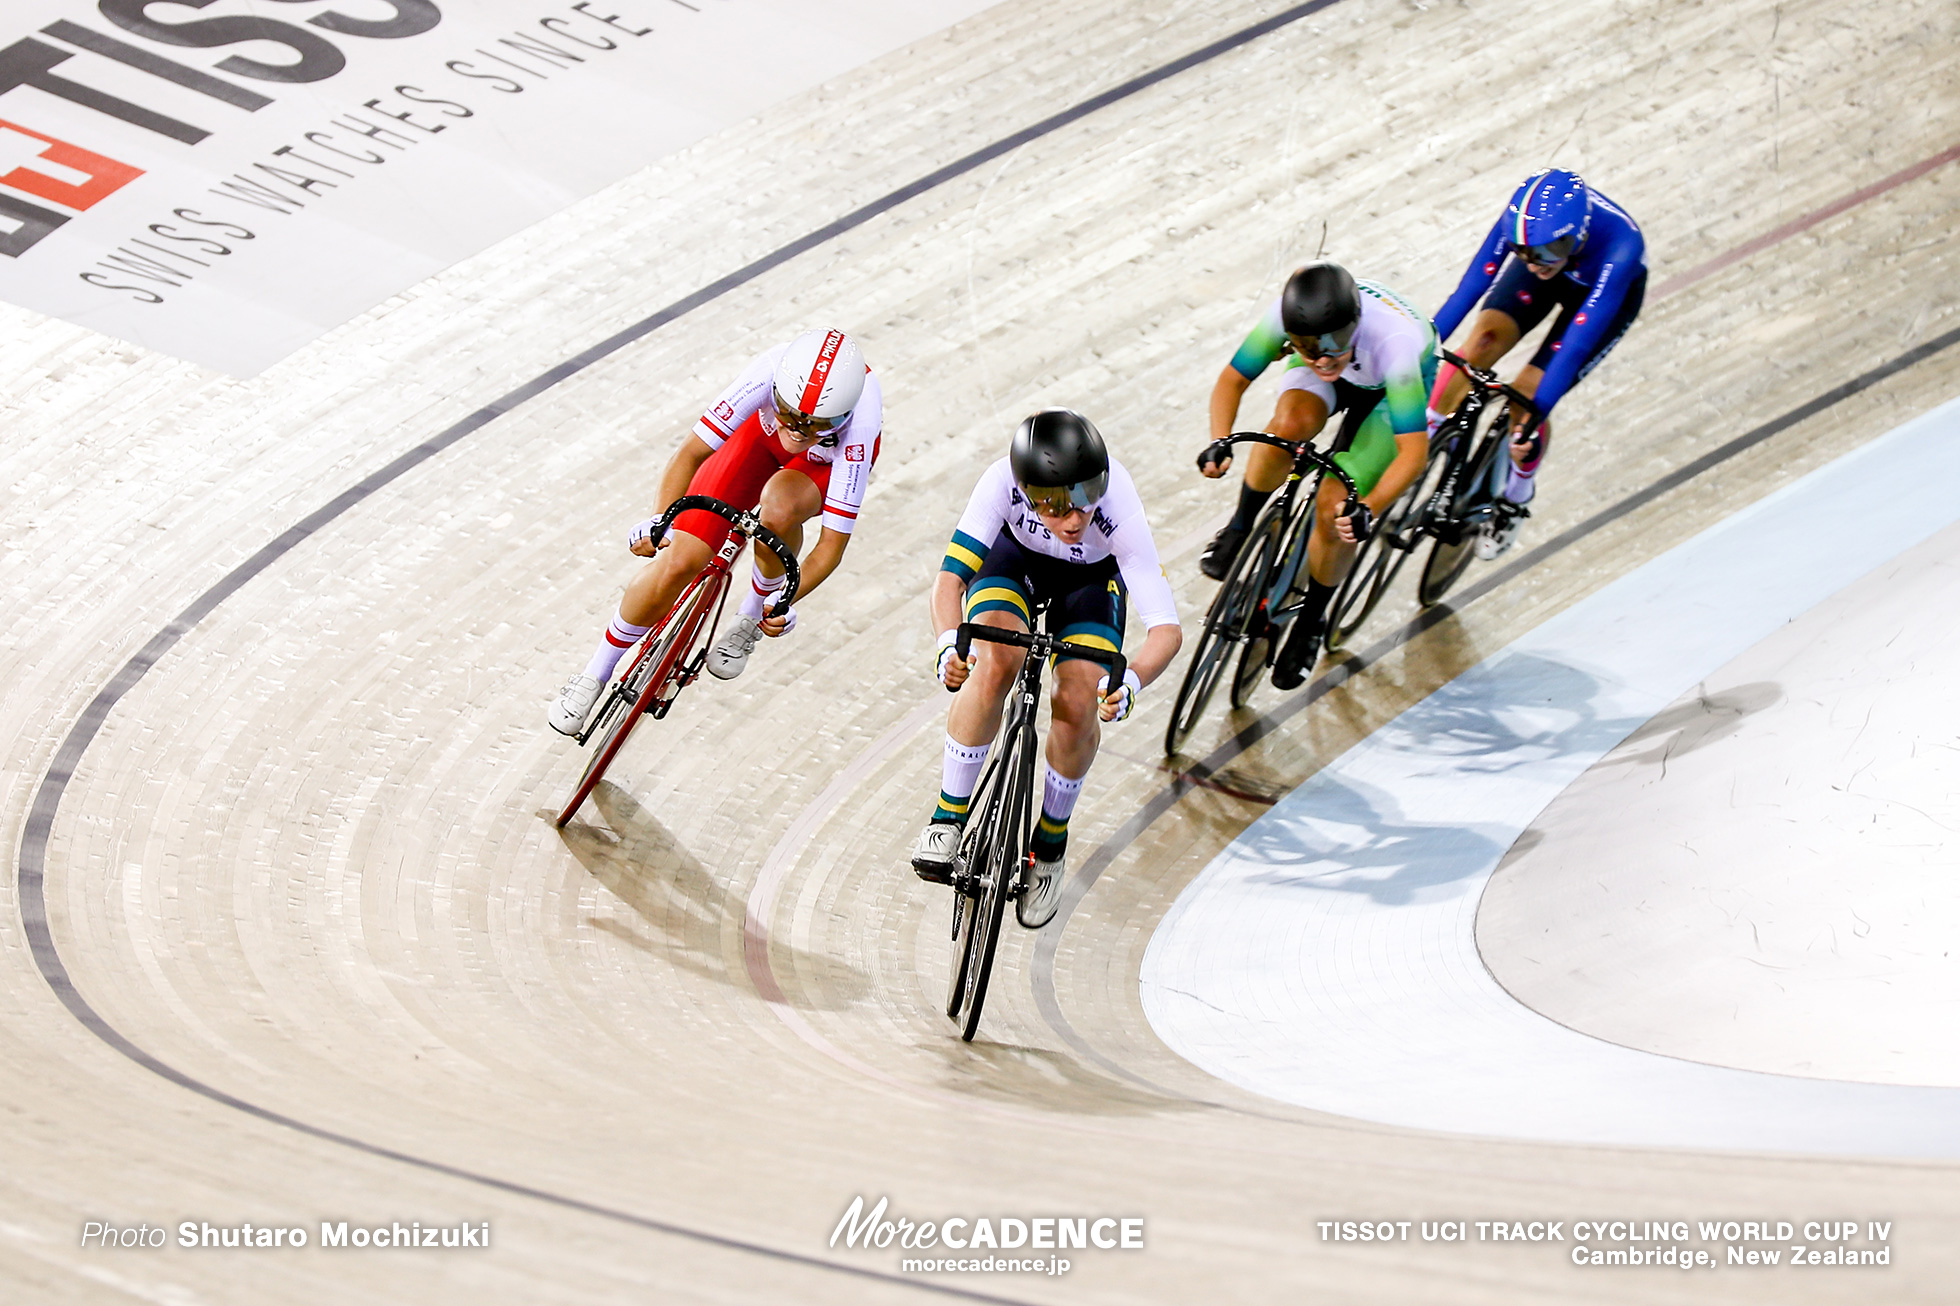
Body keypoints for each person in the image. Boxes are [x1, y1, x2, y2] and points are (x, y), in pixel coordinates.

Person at [910, 409, 1182, 928]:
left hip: (1089, 583)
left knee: (1080, 697)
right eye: (1057, 506)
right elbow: (949, 583)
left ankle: (1050, 845)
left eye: (1086, 497)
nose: (1076, 518)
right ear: (1027, 489)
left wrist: (1130, 680)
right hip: (1016, 562)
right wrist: (949, 644)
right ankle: (948, 816)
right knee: (994, 660)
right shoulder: (999, 483)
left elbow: (1166, 630)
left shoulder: (1119, 509)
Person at [548, 328, 880, 735]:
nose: (796, 430)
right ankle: (594, 674)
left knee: (778, 507)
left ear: (843, 417)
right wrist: (659, 522)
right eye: (789, 414)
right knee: (681, 558)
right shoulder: (763, 376)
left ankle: (751, 612)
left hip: (820, 464)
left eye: (814, 424)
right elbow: (691, 454)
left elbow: (831, 545)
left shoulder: (859, 431)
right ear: (775, 391)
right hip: (757, 436)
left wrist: (784, 599)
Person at [1196, 261, 1436, 689]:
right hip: (1352, 374)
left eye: (1335, 342)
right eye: (1308, 346)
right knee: (1285, 430)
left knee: (1334, 505)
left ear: (1356, 323)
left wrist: (1369, 507)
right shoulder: (1284, 320)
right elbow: (1231, 382)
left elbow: (1413, 455)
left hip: (1387, 395)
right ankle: (1240, 527)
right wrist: (1219, 440)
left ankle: (1311, 619)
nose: (1324, 356)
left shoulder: (1394, 345)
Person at [1429, 167, 1646, 557]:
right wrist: (1419, 349)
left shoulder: (1622, 246)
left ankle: (1515, 497)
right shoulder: (1528, 232)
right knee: (1480, 344)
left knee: (1524, 399)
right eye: (1523, 252)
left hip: (1601, 299)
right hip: (1554, 280)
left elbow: (1576, 345)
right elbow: (1470, 290)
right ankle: (1429, 433)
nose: (1534, 263)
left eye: (1547, 252)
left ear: (1577, 234)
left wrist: (1535, 414)